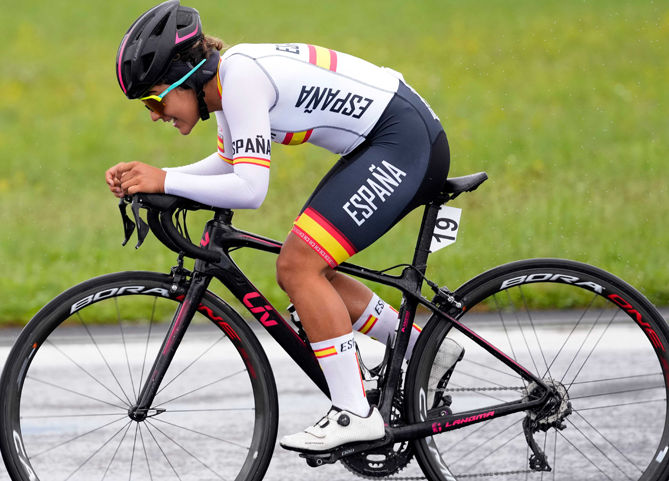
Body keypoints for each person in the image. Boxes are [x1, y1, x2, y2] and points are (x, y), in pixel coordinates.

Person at [106, 0, 464, 453]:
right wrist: (158, 179)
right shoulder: (225, 84)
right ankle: (425, 349)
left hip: (405, 142)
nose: (154, 114)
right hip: (388, 138)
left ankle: (354, 413)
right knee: (310, 268)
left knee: (299, 266)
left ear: (186, 77)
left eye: (154, 99)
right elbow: (228, 163)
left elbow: (250, 188)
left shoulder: (241, 80)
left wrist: (164, 180)